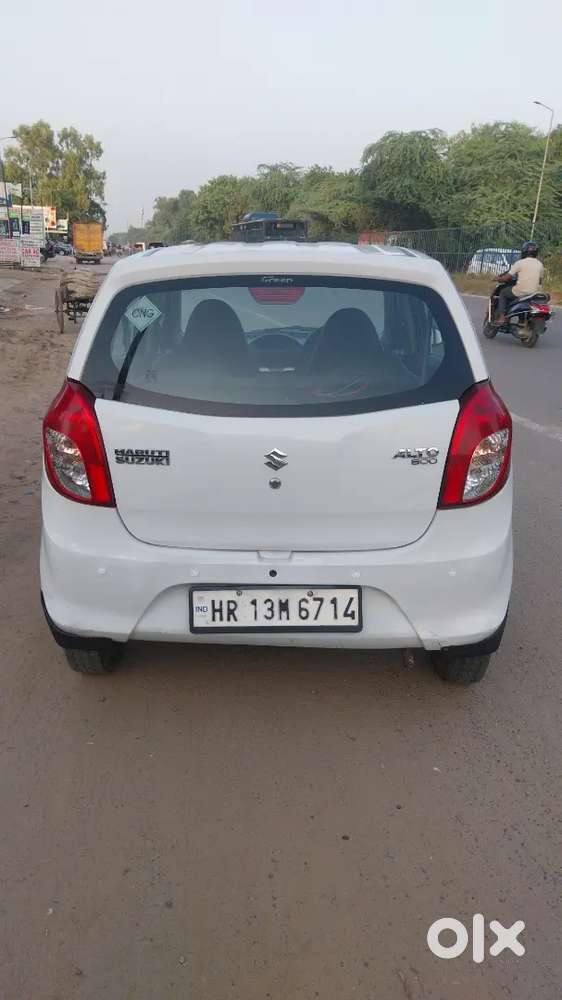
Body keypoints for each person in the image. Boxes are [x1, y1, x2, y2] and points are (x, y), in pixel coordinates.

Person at [494, 241, 544, 325]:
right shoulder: (540, 264)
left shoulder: (520, 263)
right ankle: (521, 319)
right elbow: (540, 281)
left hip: (521, 291)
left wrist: (498, 278)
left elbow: (507, 278)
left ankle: (502, 317)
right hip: (534, 293)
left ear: (524, 251)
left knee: (503, 293)